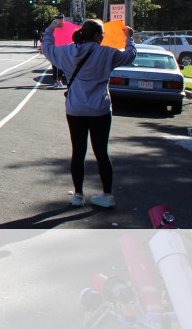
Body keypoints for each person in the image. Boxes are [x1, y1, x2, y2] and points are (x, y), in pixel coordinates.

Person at [42, 17, 136, 209]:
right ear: (96, 35)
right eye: (102, 34)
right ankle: (107, 195)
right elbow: (130, 55)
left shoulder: (68, 51)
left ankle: (78, 195)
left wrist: (51, 28)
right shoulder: (107, 53)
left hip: (75, 109)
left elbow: (48, 48)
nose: (103, 37)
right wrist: (129, 38)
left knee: (78, 152)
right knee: (102, 153)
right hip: (100, 109)